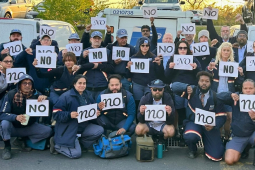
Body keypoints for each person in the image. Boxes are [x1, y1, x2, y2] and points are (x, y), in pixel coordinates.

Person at [172, 71, 226, 160]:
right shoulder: (191, 92)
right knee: (190, 136)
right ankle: (192, 149)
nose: (204, 83)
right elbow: (174, 86)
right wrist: (186, 87)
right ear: (198, 82)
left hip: (210, 127)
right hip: (194, 123)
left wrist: (214, 125)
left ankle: (209, 145)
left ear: (210, 83)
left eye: (207, 81)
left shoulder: (216, 97)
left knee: (216, 156)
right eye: (202, 81)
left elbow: (222, 116)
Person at [0, 74, 53, 160]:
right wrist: (15, 117)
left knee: (48, 131)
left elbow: (53, 103)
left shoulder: (37, 94)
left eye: (29, 83)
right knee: (4, 123)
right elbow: (2, 114)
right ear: (20, 84)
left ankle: (23, 140)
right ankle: (7, 147)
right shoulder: (10, 95)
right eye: (25, 83)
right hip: (13, 127)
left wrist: (46, 98)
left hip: (29, 126)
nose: (27, 85)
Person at [51, 74, 103, 158]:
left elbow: (92, 107)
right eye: (80, 83)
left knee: (99, 130)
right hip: (69, 128)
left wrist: (97, 110)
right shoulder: (65, 96)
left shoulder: (88, 94)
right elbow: (56, 114)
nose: (82, 85)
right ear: (74, 84)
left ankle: (79, 143)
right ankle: (57, 145)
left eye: (84, 83)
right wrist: (69, 115)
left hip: (83, 126)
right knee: (76, 154)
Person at [206, 42, 245, 139]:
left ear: (230, 52)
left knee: (229, 117)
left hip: (229, 94)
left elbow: (239, 83)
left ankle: (227, 137)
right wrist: (209, 69)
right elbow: (206, 76)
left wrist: (240, 74)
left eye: (228, 50)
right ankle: (218, 138)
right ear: (220, 51)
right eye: (224, 50)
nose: (226, 52)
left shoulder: (233, 64)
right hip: (216, 93)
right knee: (218, 117)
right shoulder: (213, 62)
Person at [165, 41, 202, 135]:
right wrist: (170, 68)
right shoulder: (173, 59)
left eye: (184, 48)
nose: (182, 50)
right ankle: (181, 130)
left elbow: (200, 75)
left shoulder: (193, 59)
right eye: (180, 48)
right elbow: (167, 77)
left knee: (186, 109)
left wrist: (196, 68)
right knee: (179, 107)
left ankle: (185, 130)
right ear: (177, 49)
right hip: (178, 87)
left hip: (190, 89)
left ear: (187, 49)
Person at [217, 79, 255, 165]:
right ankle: (245, 148)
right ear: (242, 89)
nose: (248, 90)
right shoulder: (237, 97)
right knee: (229, 160)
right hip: (239, 135)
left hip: (253, 133)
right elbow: (218, 96)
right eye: (245, 88)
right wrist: (230, 95)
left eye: (251, 88)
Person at [76, 31, 114, 100]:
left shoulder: (107, 52)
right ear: (91, 39)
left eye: (99, 38)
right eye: (95, 38)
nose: (97, 40)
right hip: (87, 86)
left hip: (102, 85)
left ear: (101, 40)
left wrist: (98, 66)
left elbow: (111, 68)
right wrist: (83, 57)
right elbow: (80, 68)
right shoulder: (85, 51)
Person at [127, 37, 163, 107]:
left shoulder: (154, 58)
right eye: (143, 45)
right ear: (139, 46)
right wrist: (128, 68)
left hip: (149, 84)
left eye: (147, 45)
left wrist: (159, 65)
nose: (145, 47)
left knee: (149, 103)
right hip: (137, 84)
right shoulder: (133, 58)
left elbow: (159, 73)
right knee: (138, 103)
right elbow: (129, 75)